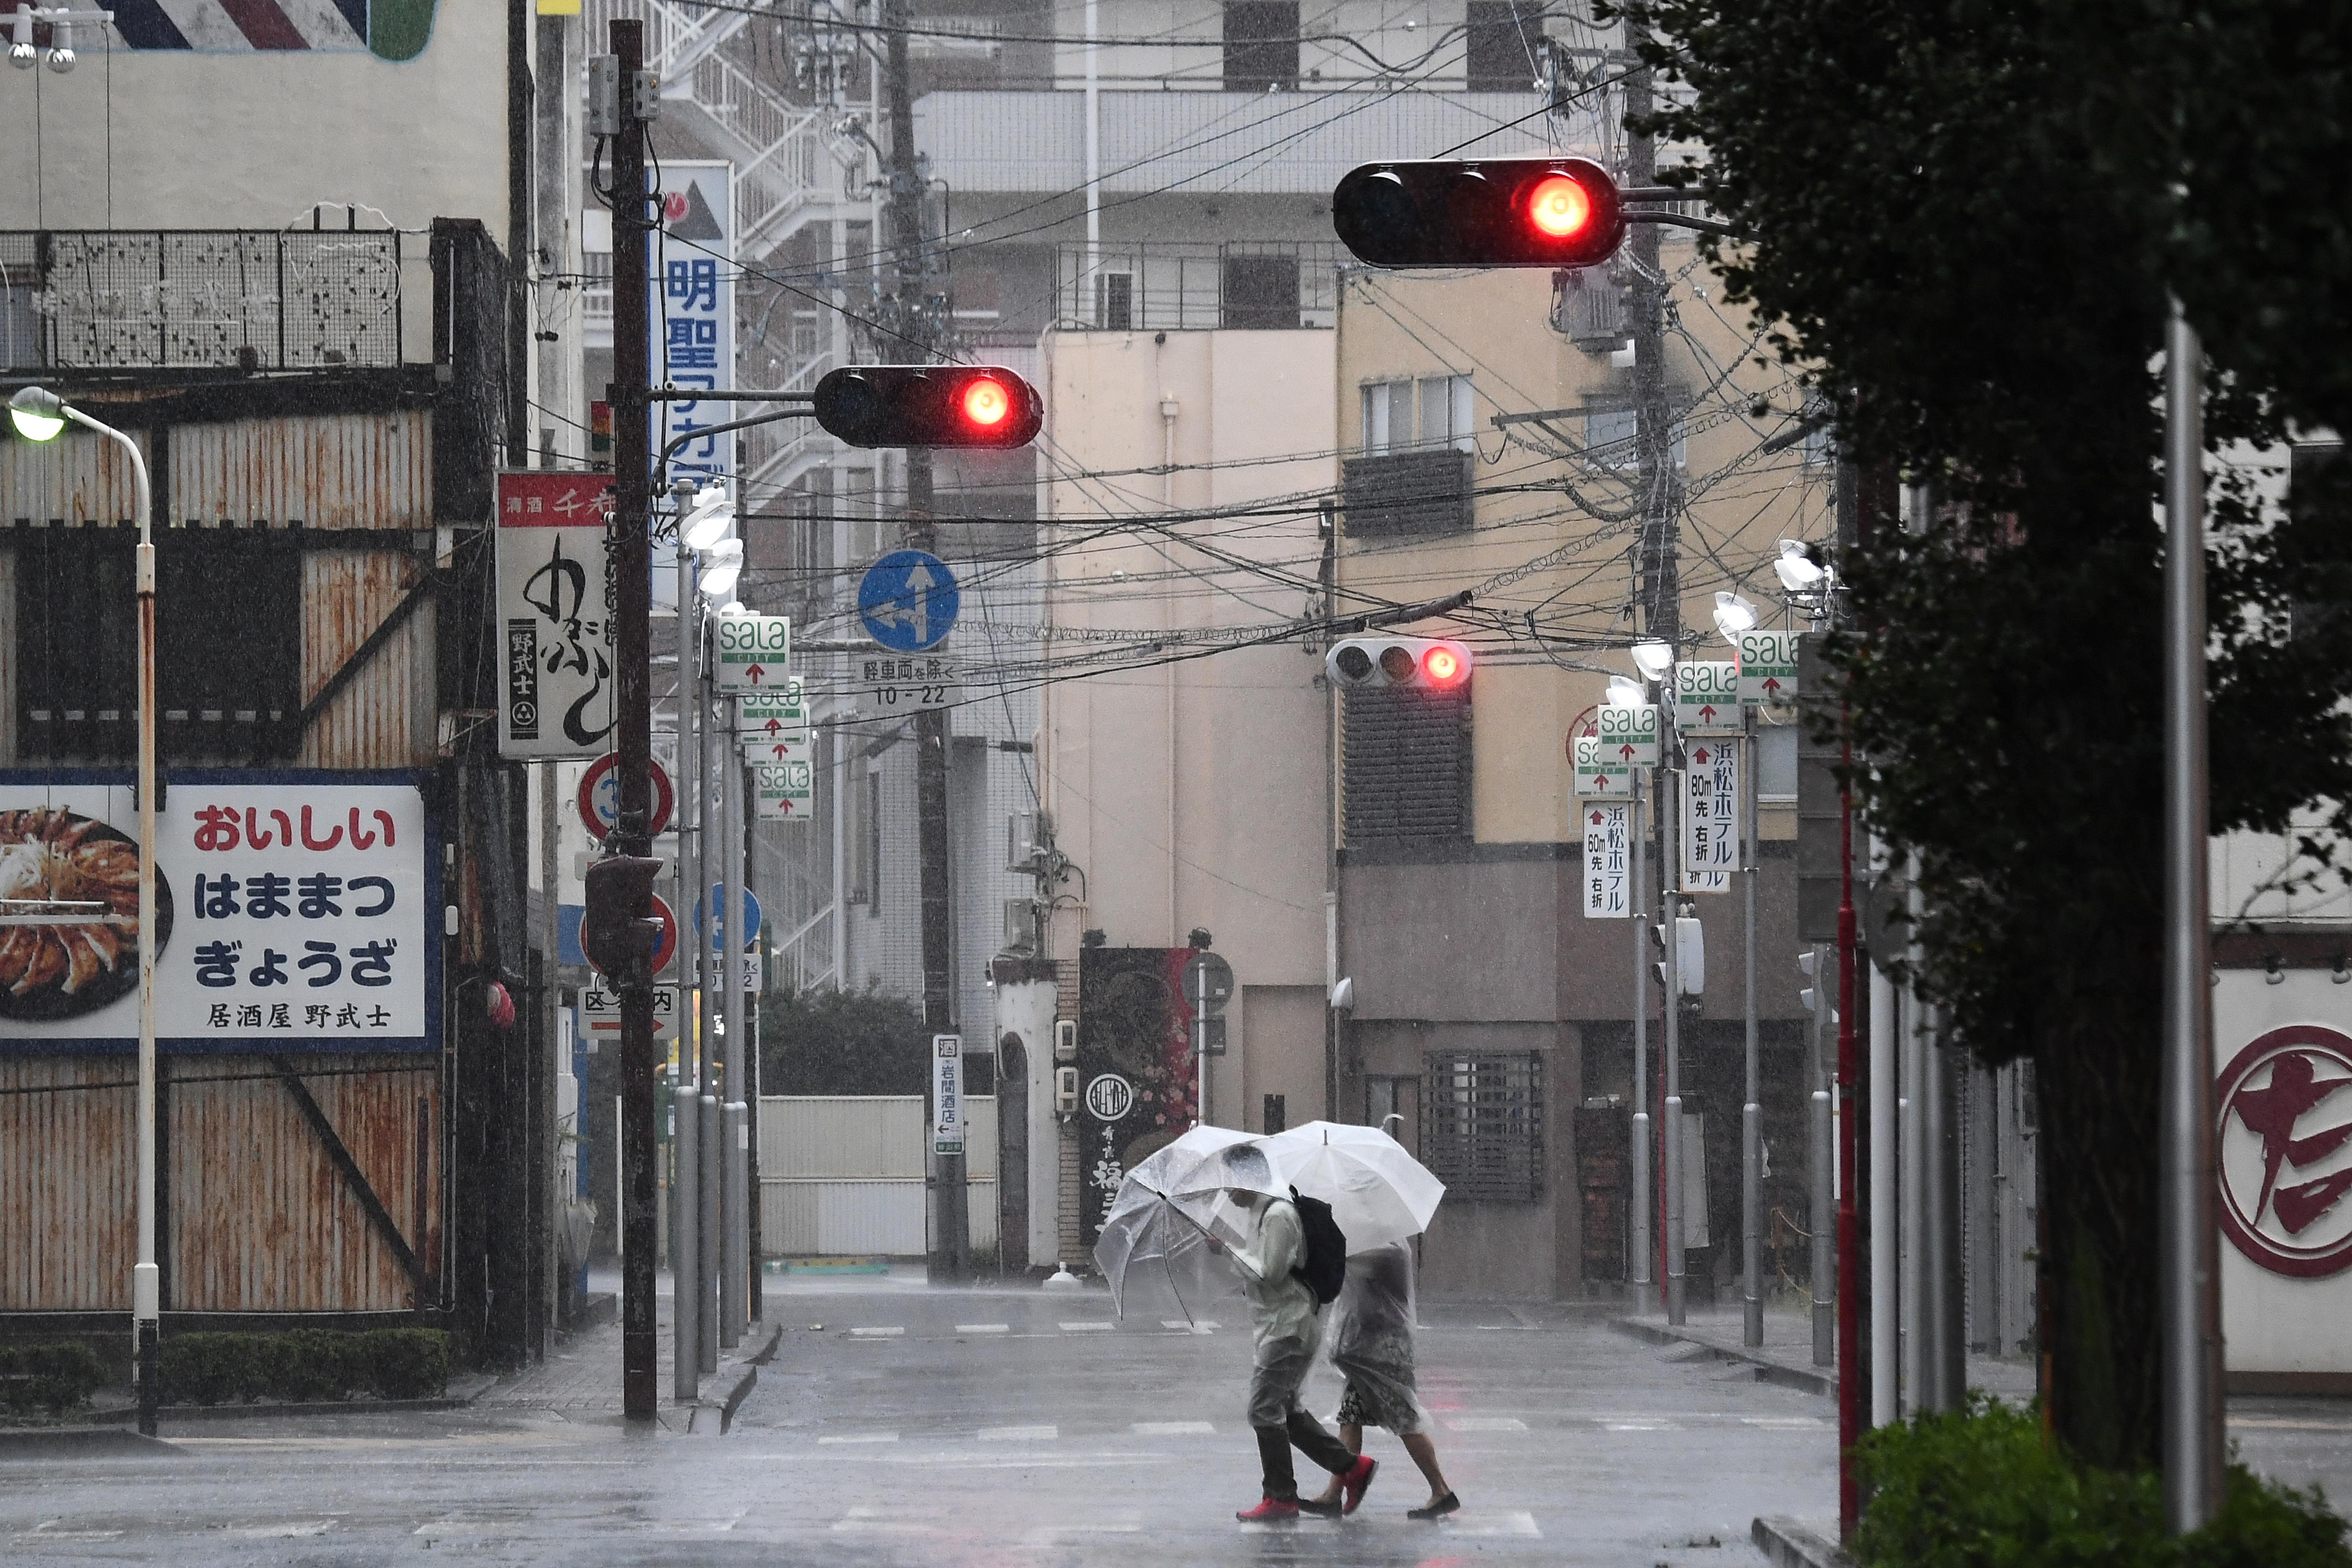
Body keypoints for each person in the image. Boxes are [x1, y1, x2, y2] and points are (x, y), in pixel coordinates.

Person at [1215, 1143, 1377, 1522]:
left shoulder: (1279, 1215)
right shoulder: (1261, 1213)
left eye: (1229, 1183)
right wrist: (1229, 1249)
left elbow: (1269, 1272)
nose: (1226, 1191)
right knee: (1285, 1413)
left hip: (1289, 1329)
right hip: (1278, 1325)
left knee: (1262, 1409)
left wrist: (1229, 1251)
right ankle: (1352, 1468)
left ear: (1248, 1179)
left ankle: (1281, 1497)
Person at [1308, 1239, 1460, 1519]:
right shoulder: (1383, 1245)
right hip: (1367, 1347)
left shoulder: (1385, 1250)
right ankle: (1334, 1493)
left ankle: (1441, 1490)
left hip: (1383, 1349)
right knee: (1350, 1417)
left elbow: (1339, 1268)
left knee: (1404, 1419)